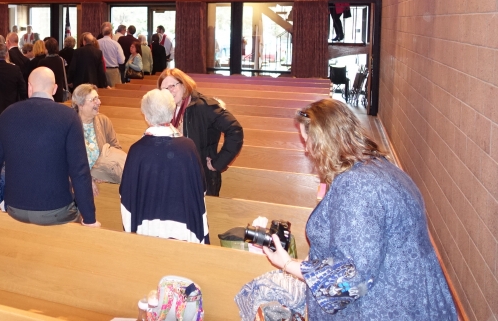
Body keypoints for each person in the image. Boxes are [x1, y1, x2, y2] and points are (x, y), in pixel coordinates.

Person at [261, 99, 457, 320]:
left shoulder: (357, 187)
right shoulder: (379, 166)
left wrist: (287, 264)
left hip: (388, 306)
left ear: (323, 143)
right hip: (414, 295)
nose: (306, 150)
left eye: (308, 142)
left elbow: (353, 278)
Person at [0, 67, 99, 227]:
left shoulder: (7, 114)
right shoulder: (69, 117)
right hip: (57, 210)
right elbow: (79, 171)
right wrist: (89, 219)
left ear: (29, 87)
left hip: (15, 208)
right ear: (55, 89)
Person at [120, 89, 208, 243]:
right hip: (183, 227)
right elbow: (200, 188)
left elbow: (127, 193)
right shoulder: (188, 147)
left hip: (147, 227)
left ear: (146, 117)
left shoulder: (137, 150)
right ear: (172, 113)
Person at [158, 68, 244, 196]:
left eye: (173, 86)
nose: (169, 91)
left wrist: (218, 163)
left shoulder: (203, 106)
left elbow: (235, 130)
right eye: (164, 89)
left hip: (202, 178)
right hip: (178, 176)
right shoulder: (168, 110)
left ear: (184, 85)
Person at [71, 84, 126, 186]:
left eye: (98, 98)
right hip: (78, 181)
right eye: (94, 99)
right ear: (80, 104)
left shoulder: (103, 121)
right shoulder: (70, 125)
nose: (99, 102)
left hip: (102, 180)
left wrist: (102, 173)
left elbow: (116, 148)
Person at [35, 38, 68, 102]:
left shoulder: (43, 61)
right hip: (59, 90)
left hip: (47, 90)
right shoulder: (60, 59)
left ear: (47, 49)